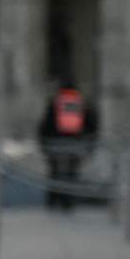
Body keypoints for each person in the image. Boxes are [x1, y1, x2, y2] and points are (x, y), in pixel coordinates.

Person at [37, 78, 98, 211]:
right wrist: (89, 143)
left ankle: (53, 200)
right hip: (75, 142)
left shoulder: (56, 102)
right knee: (71, 173)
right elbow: (92, 124)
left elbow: (45, 125)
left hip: (55, 143)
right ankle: (68, 202)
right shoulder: (81, 103)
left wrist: (43, 143)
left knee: (54, 172)